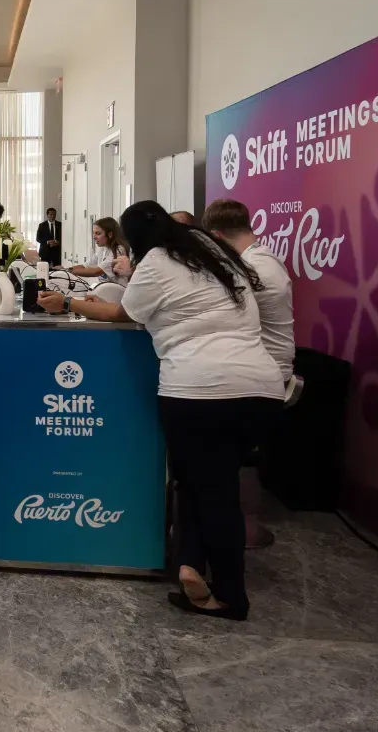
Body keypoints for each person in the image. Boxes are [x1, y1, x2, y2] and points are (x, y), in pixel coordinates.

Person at [37, 201, 284, 620]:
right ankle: (191, 567)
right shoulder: (213, 250)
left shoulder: (155, 261)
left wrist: (67, 304)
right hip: (259, 387)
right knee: (206, 484)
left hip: (198, 389)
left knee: (209, 491)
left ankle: (230, 595)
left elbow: (122, 313)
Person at [205, 198, 295, 550]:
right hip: (268, 366)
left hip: (264, 376)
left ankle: (239, 525)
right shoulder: (263, 258)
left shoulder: (252, 270)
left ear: (216, 235)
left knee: (230, 450)